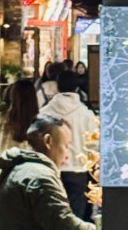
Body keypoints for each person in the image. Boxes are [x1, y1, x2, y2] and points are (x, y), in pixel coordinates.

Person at [41, 69, 100, 220]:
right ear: (77, 88)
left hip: (51, 170)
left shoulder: (45, 112)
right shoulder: (86, 114)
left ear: (57, 87)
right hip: (78, 170)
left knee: (53, 215)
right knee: (75, 218)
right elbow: (94, 144)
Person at [0, 78, 40, 161]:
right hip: (31, 171)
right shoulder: (40, 123)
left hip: (6, 170)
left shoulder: (2, 119)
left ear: (12, 97)